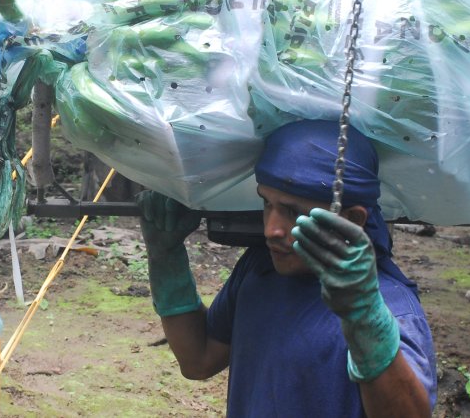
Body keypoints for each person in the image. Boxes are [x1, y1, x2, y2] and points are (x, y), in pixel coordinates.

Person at [139, 119, 436, 417]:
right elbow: (198, 359)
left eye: (293, 211)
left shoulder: (391, 309)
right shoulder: (260, 271)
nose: (271, 230)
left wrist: (365, 322)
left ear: (353, 220)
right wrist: (166, 259)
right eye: (267, 203)